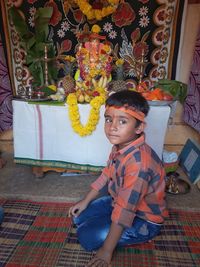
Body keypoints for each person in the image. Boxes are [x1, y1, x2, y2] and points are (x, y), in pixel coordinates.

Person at [68, 90, 168, 267]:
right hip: (119, 201)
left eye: (122, 121)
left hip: (143, 218)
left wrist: (106, 251)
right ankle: (102, 223)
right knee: (78, 217)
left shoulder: (139, 165)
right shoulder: (119, 145)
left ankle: (139, 234)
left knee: (86, 238)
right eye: (108, 119)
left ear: (139, 127)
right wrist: (85, 201)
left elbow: (125, 211)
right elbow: (107, 173)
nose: (112, 127)